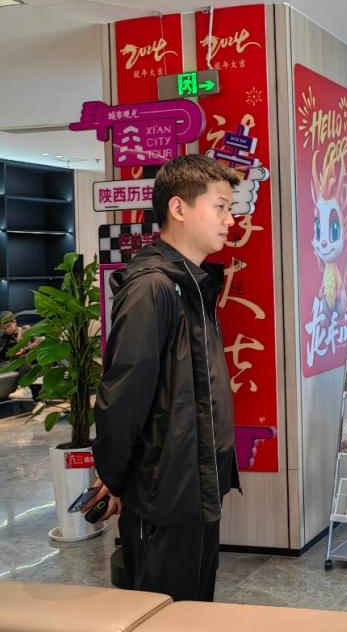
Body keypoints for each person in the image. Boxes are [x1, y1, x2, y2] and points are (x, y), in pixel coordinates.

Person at [86, 154, 241, 602]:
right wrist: (115, 478)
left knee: (195, 608)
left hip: (195, 487)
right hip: (165, 493)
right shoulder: (152, 287)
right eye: (220, 207)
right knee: (166, 611)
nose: (230, 220)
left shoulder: (190, 283)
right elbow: (123, 396)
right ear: (178, 208)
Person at [0, 311, 40, 400]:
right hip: (8, 363)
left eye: (9, 326)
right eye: (3, 328)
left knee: (26, 360)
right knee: (23, 361)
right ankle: (26, 389)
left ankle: (31, 393)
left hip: (28, 358)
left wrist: (26, 349)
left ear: (15, 322)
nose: (7, 330)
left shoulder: (25, 330)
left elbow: (38, 342)